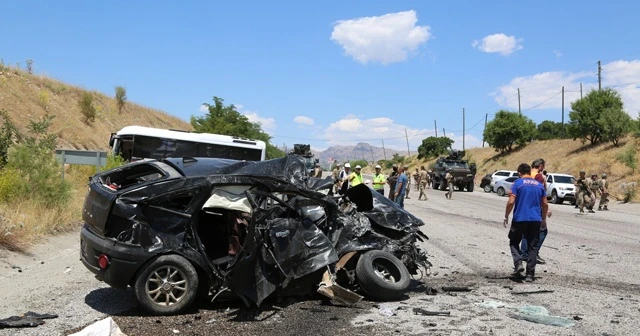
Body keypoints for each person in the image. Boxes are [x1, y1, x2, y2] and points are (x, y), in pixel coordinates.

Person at [503, 163, 548, 282]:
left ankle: (518, 264)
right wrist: (543, 219)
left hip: (520, 219)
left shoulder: (517, 183)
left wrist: (506, 216)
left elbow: (511, 202)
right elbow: (545, 204)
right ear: (529, 172)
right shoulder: (539, 185)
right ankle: (530, 275)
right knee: (533, 247)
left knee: (514, 241)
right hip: (535, 220)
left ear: (519, 173)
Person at [521, 158, 552, 265]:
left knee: (526, 232)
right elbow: (539, 193)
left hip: (525, 206)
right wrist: (546, 209)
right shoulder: (539, 177)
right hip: (536, 207)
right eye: (543, 166)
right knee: (542, 231)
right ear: (540, 166)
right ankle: (533, 253)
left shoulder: (526, 175)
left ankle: (524, 254)